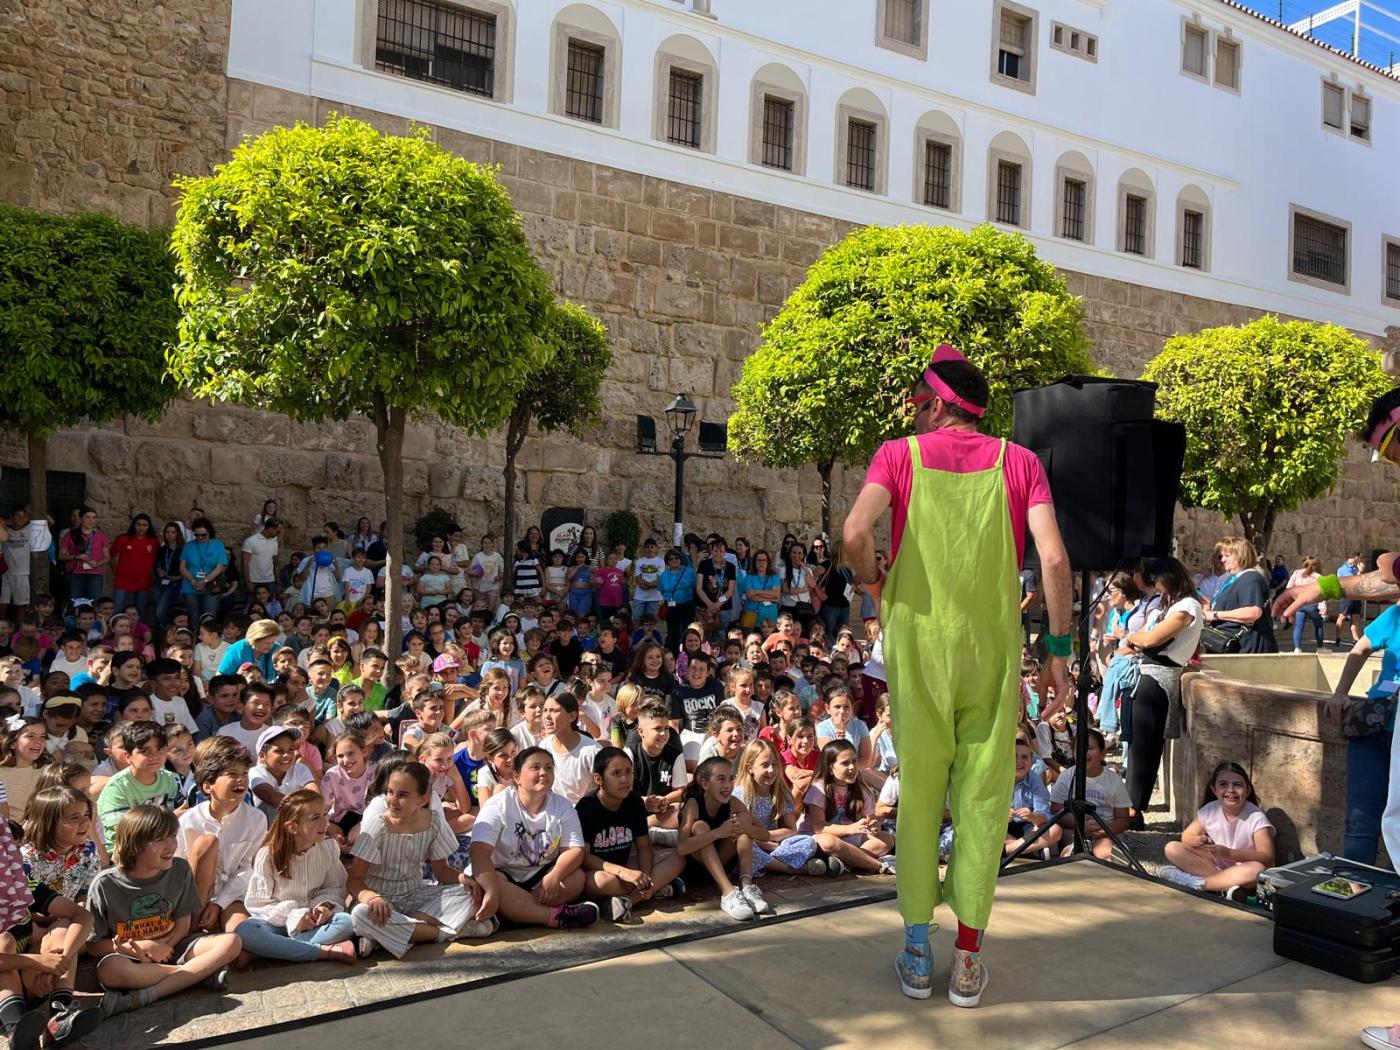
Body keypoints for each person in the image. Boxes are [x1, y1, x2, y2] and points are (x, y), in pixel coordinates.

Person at [843, 343, 1072, 1005]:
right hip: (992, 653)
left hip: (919, 651)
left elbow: (856, 533)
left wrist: (873, 583)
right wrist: (1057, 649)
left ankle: (917, 952)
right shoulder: (1020, 462)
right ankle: (967, 961)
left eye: (918, 398)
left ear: (938, 401)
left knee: (919, 792)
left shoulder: (899, 456)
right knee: (982, 800)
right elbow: (1054, 562)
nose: (912, 410)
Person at [84, 805, 243, 1021]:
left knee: (232, 942)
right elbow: (93, 945)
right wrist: (143, 948)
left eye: (172, 837)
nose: (170, 846)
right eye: (159, 840)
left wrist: (167, 946)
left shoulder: (180, 869)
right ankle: (200, 974)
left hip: (174, 947)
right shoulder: (105, 884)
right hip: (131, 958)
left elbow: (183, 923)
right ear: (135, 844)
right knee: (109, 970)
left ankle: (146, 995)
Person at [346, 762, 491, 958]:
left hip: (416, 894)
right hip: (381, 900)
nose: (392, 800)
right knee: (359, 915)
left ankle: (388, 935)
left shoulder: (434, 821)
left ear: (422, 800)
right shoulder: (378, 825)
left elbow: (441, 870)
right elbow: (354, 879)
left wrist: (462, 879)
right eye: (389, 792)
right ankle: (448, 932)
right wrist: (371, 898)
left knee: (471, 894)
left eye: (402, 795)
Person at [468, 747, 599, 930]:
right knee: (494, 884)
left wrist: (554, 876)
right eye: (535, 767)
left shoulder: (562, 806)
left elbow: (574, 849)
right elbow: (479, 851)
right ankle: (555, 917)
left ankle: (519, 912)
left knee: (576, 877)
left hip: (542, 875)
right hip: (505, 873)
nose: (543, 773)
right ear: (516, 777)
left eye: (549, 768)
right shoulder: (497, 805)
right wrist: (490, 891)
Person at [1122, 557, 1203, 824]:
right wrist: (1138, 638)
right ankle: (1130, 804)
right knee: (1135, 742)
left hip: (1160, 675)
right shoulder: (1167, 606)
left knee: (1146, 746)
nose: (1154, 586)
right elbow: (1141, 638)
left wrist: (1136, 638)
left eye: (1156, 580)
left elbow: (1149, 638)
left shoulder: (1187, 606)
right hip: (1146, 672)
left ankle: (1135, 808)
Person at [238, 789, 358, 964]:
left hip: (315, 924)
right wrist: (293, 916)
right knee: (246, 930)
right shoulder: (268, 855)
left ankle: (270, 951)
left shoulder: (329, 848)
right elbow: (258, 903)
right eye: (315, 818)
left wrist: (324, 906)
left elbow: (336, 888)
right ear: (292, 827)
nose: (325, 822)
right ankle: (325, 951)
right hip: (278, 923)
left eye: (325, 814)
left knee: (346, 921)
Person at [1325, 597, 1400, 864]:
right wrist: (1340, 692)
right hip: (1374, 729)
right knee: (1360, 818)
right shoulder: (1395, 616)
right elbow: (1361, 648)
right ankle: (1355, 892)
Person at [576, 747, 684, 923]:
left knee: (677, 857)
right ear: (598, 778)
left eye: (628, 772)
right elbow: (585, 857)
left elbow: (643, 846)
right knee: (597, 882)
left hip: (628, 865)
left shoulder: (634, 802)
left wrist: (646, 877)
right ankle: (657, 887)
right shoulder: (587, 807)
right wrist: (624, 872)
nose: (625, 779)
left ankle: (630, 900)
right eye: (616, 773)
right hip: (603, 871)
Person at [1158, 762, 1275, 895]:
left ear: (1247, 790)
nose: (1230, 790)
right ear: (1214, 789)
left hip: (1243, 869)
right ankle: (1223, 885)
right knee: (1172, 848)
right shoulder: (1210, 809)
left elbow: (1267, 857)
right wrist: (1198, 840)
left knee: (1256, 869)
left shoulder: (1256, 817)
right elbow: (1187, 836)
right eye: (1223, 784)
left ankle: (1199, 883)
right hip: (1214, 866)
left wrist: (1230, 854)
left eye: (1237, 785)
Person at [1048, 729, 1130, 860]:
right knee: (1070, 845)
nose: (1084, 752)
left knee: (1106, 853)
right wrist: (1078, 824)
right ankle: (1073, 855)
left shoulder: (1113, 780)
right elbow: (1055, 810)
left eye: (1090, 748)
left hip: (1104, 829)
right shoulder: (1066, 777)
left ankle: (1112, 858)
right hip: (1072, 828)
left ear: (1103, 753)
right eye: (1079, 748)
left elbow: (1124, 819)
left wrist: (1107, 828)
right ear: (1073, 753)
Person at [1204, 537, 1276, 654]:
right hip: (1234, 648)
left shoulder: (1250, 578)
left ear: (1240, 555)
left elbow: (1253, 612)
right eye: (1221, 556)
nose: (1222, 560)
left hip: (1246, 649)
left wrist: (1215, 615)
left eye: (1227, 556)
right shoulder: (1236, 579)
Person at [179, 519, 227, 625]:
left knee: (209, 618)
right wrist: (192, 581)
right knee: (193, 617)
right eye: (197, 535)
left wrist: (205, 581)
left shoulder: (218, 545)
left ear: (209, 532)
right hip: (190, 586)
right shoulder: (189, 545)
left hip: (211, 586)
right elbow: (182, 567)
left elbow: (220, 567)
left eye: (203, 535)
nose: (200, 537)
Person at [1285, 557, 1326, 653]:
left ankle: (1297, 648)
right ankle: (1320, 648)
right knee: (1318, 626)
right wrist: (1323, 609)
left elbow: (1289, 588)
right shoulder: (1318, 577)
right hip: (1313, 604)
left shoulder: (1296, 573)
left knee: (1298, 626)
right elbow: (1323, 593)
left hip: (1299, 604)